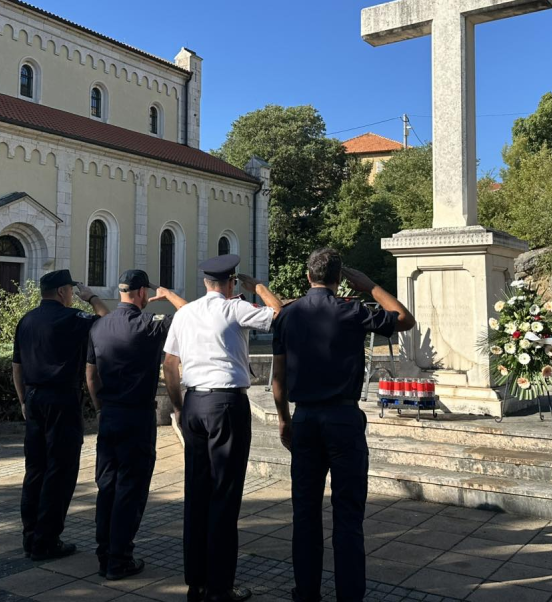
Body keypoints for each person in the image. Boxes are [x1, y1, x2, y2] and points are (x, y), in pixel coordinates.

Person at [271, 249, 416, 602]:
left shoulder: (286, 316)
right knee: (348, 514)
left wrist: (284, 421)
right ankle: (349, 595)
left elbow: (278, 379)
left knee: (305, 512)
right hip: (343, 419)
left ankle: (307, 591)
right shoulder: (353, 311)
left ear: (308, 277)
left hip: (305, 418)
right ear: (340, 280)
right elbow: (404, 319)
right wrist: (371, 286)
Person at [162, 254, 283, 602]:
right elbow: (279, 315)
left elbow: (170, 363)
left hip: (195, 402)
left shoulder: (184, 314)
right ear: (230, 283)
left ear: (204, 283)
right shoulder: (234, 308)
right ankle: (220, 588)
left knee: (197, 495)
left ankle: (196, 583)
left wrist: (179, 405)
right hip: (227, 404)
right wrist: (258, 287)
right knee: (224, 496)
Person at [85, 270, 187, 581]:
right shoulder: (150, 324)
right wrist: (167, 293)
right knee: (131, 487)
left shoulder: (99, 326)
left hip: (110, 415)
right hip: (137, 417)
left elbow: (91, 375)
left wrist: (100, 408)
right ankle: (120, 558)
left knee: (107, 485)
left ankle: (104, 555)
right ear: (142, 293)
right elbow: (192, 313)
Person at [12, 269, 109, 561]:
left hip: (34, 398)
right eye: (70, 290)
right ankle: (47, 541)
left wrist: (23, 401)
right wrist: (91, 297)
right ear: (64, 292)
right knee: (61, 470)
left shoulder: (26, 320)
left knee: (35, 469)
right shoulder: (70, 318)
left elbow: (16, 365)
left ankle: (30, 537)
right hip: (61, 400)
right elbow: (107, 321)